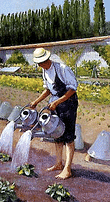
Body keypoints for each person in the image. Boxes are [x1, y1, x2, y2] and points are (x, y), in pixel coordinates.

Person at [29, 47, 78, 179]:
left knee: (68, 136)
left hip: (68, 103)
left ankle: (67, 169)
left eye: (42, 63)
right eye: (38, 64)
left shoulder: (62, 68)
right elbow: (48, 90)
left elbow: (72, 88)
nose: (40, 66)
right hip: (56, 103)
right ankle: (58, 164)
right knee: (57, 133)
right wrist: (36, 101)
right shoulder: (45, 72)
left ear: (47, 59)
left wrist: (57, 102)